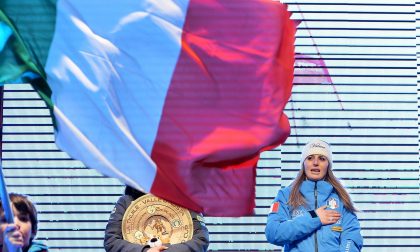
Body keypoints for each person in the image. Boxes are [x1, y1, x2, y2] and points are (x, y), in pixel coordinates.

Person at [265, 139, 363, 252]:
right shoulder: (285, 196)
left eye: (322, 158)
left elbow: (352, 236)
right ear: (303, 163)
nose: (315, 162)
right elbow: (273, 233)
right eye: (310, 158)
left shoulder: (341, 198)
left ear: (328, 165)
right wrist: (314, 217)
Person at [104, 186, 210, 252]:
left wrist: (165, 250)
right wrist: (146, 251)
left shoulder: (185, 200)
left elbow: (200, 240)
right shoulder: (126, 202)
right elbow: (112, 241)